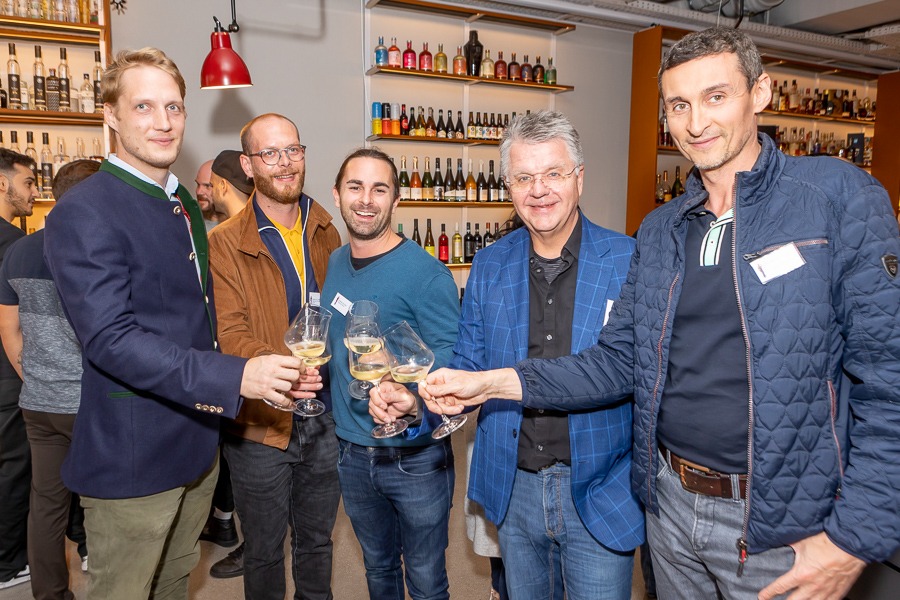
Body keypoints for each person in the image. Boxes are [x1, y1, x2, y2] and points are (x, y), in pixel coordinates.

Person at [418, 27, 900, 600]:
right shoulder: (661, 230)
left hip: (779, 524)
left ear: (761, 93)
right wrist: (492, 383)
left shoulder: (836, 197)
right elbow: (616, 362)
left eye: (715, 96)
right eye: (678, 105)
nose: (696, 122)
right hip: (670, 511)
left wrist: (855, 536)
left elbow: (888, 377)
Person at [43, 47, 304, 600]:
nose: (163, 122)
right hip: (133, 453)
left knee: (173, 585)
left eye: (174, 107)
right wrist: (236, 376)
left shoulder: (180, 198)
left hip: (196, 443)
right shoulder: (84, 208)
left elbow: (195, 319)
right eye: (143, 106)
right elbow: (110, 339)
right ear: (111, 115)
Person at [370, 111, 643, 599]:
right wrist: (417, 401)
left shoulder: (628, 259)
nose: (539, 190)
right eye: (523, 178)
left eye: (553, 173)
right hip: (514, 487)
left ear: (579, 179)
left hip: (601, 487)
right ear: (509, 188)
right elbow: (469, 366)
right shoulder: (490, 263)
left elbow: (629, 372)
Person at [208, 113, 342, 598]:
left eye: (293, 150)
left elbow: (339, 314)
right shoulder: (223, 243)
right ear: (248, 165)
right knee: (264, 550)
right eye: (270, 153)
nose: (285, 163)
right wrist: (288, 374)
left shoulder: (326, 228)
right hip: (261, 424)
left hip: (325, 417)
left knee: (317, 542)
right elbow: (230, 333)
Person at [321, 147, 459, 600]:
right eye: (355, 187)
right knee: (378, 570)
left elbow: (452, 358)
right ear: (337, 195)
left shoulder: (427, 275)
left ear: (396, 200)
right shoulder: (335, 262)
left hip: (415, 458)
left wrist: (411, 396)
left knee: (426, 581)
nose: (366, 199)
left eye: (379, 189)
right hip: (352, 450)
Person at [0, 159, 99, 600]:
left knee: (46, 505)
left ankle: (50, 595)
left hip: (39, 402)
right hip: (91, 403)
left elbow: (9, 330)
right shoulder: (96, 247)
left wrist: (37, 378)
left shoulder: (19, 250)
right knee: (104, 500)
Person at [198, 148, 254, 562]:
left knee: (245, 456)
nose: (202, 192)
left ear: (221, 185)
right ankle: (225, 520)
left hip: (236, 363)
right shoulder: (228, 233)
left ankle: (252, 541)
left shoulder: (225, 238)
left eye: (206, 184)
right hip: (236, 362)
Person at [0, 148, 37, 591]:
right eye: (27, 183)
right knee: (15, 468)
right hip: (10, 374)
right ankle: (8, 563)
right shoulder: (16, 246)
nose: (33, 191)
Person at [209, 149, 253, 219]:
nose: (210, 193)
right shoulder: (263, 221)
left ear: (223, 186)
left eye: (212, 185)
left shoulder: (234, 225)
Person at [195, 159, 219, 230]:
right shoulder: (187, 222)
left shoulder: (239, 227)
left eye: (207, 186)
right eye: (198, 184)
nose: (199, 192)